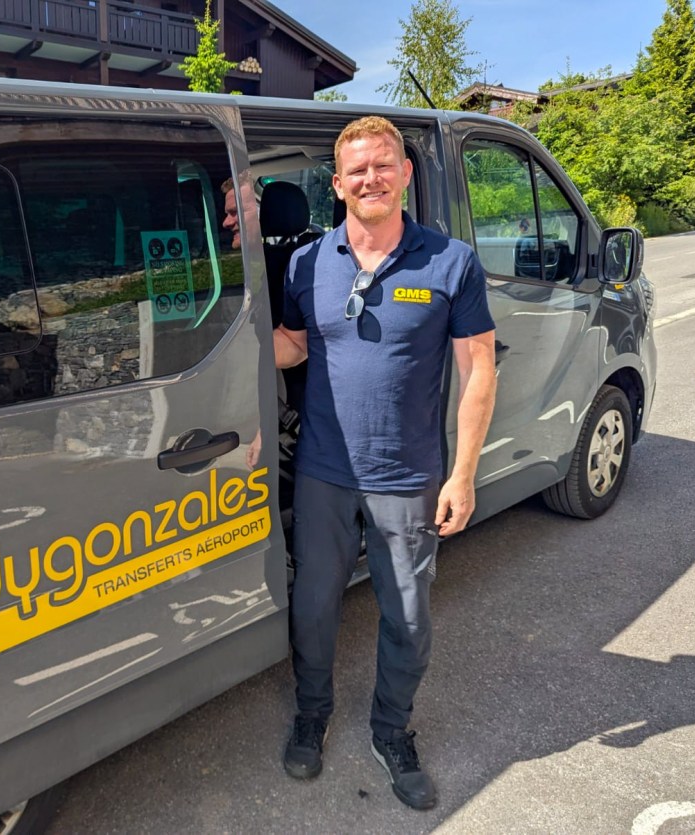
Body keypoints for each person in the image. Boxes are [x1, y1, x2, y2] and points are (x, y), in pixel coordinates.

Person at [272, 117, 496, 810]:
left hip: (408, 477)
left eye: (382, 165)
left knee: (407, 618)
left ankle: (392, 730)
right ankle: (314, 711)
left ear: (403, 174)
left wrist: (462, 473)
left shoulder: (449, 261)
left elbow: (478, 367)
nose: (370, 178)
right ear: (335, 185)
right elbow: (291, 345)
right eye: (356, 170)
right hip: (323, 472)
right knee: (313, 607)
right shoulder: (308, 263)